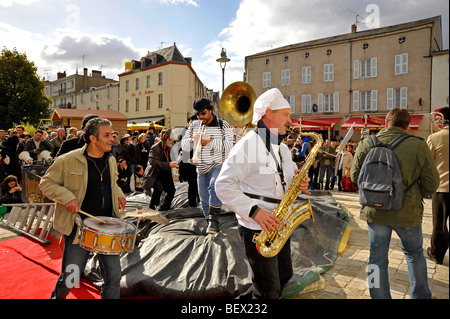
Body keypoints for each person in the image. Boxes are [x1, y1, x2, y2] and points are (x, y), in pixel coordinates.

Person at [215, 88, 310, 299]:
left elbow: (285, 180)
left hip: (279, 223)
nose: (290, 120)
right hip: (257, 227)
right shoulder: (247, 146)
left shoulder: (283, 149)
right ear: (268, 114)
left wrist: (299, 183)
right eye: (286, 114)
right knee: (269, 290)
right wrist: (254, 211)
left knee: (284, 275)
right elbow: (223, 185)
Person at [350, 108, 440, 299]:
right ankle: (421, 295)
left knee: (376, 257)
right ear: (408, 126)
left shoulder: (367, 143)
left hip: (376, 211)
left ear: (385, 123)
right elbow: (432, 183)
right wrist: (413, 194)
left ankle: (378, 296)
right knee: (415, 254)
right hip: (407, 212)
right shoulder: (418, 145)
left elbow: (355, 177)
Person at [39, 117, 126, 299]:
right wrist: (68, 197)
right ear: (93, 138)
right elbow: (45, 184)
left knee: (114, 276)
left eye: (113, 135)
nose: (113, 139)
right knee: (71, 277)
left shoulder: (110, 159)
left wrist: (119, 194)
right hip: (79, 227)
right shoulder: (66, 160)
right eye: (107, 135)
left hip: (107, 226)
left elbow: (112, 183)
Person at [181, 98, 233, 234]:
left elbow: (229, 147)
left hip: (218, 164)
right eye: (198, 114)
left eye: (203, 113)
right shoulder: (194, 125)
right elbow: (184, 145)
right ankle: (208, 221)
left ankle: (214, 222)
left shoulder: (224, 125)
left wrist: (209, 141)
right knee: (204, 200)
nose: (200, 117)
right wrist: (194, 140)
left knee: (214, 187)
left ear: (210, 110)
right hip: (201, 167)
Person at [426, 107, 449, 265]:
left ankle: (437, 254)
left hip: (443, 187)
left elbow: (428, 164)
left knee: (439, 224)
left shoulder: (435, 137)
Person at [142, 129, 179, 211]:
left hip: (166, 172)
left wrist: (175, 162)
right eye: (170, 139)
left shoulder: (170, 147)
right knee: (158, 189)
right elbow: (153, 162)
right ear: (165, 137)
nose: (172, 141)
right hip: (156, 173)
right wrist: (169, 164)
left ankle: (163, 209)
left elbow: (170, 159)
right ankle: (152, 209)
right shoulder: (155, 147)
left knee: (171, 190)